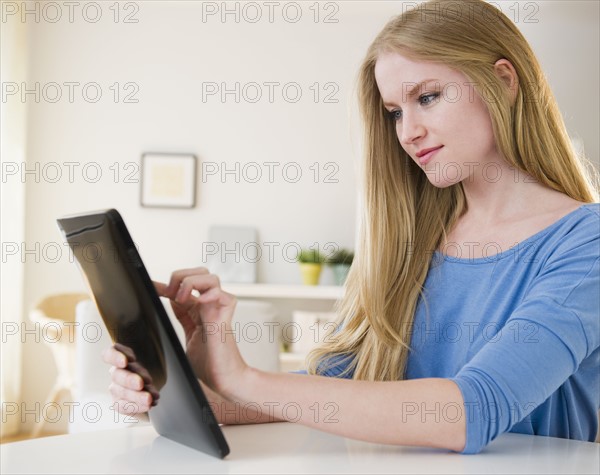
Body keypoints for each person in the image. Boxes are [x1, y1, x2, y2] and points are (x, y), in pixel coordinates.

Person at [103, 0, 599, 454]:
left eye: (427, 97)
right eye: (395, 112)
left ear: (505, 81)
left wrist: (246, 379)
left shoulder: (586, 242)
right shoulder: (410, 246)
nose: (408, 132)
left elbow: (473, 410)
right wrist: (181, 387)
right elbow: (334, 385)